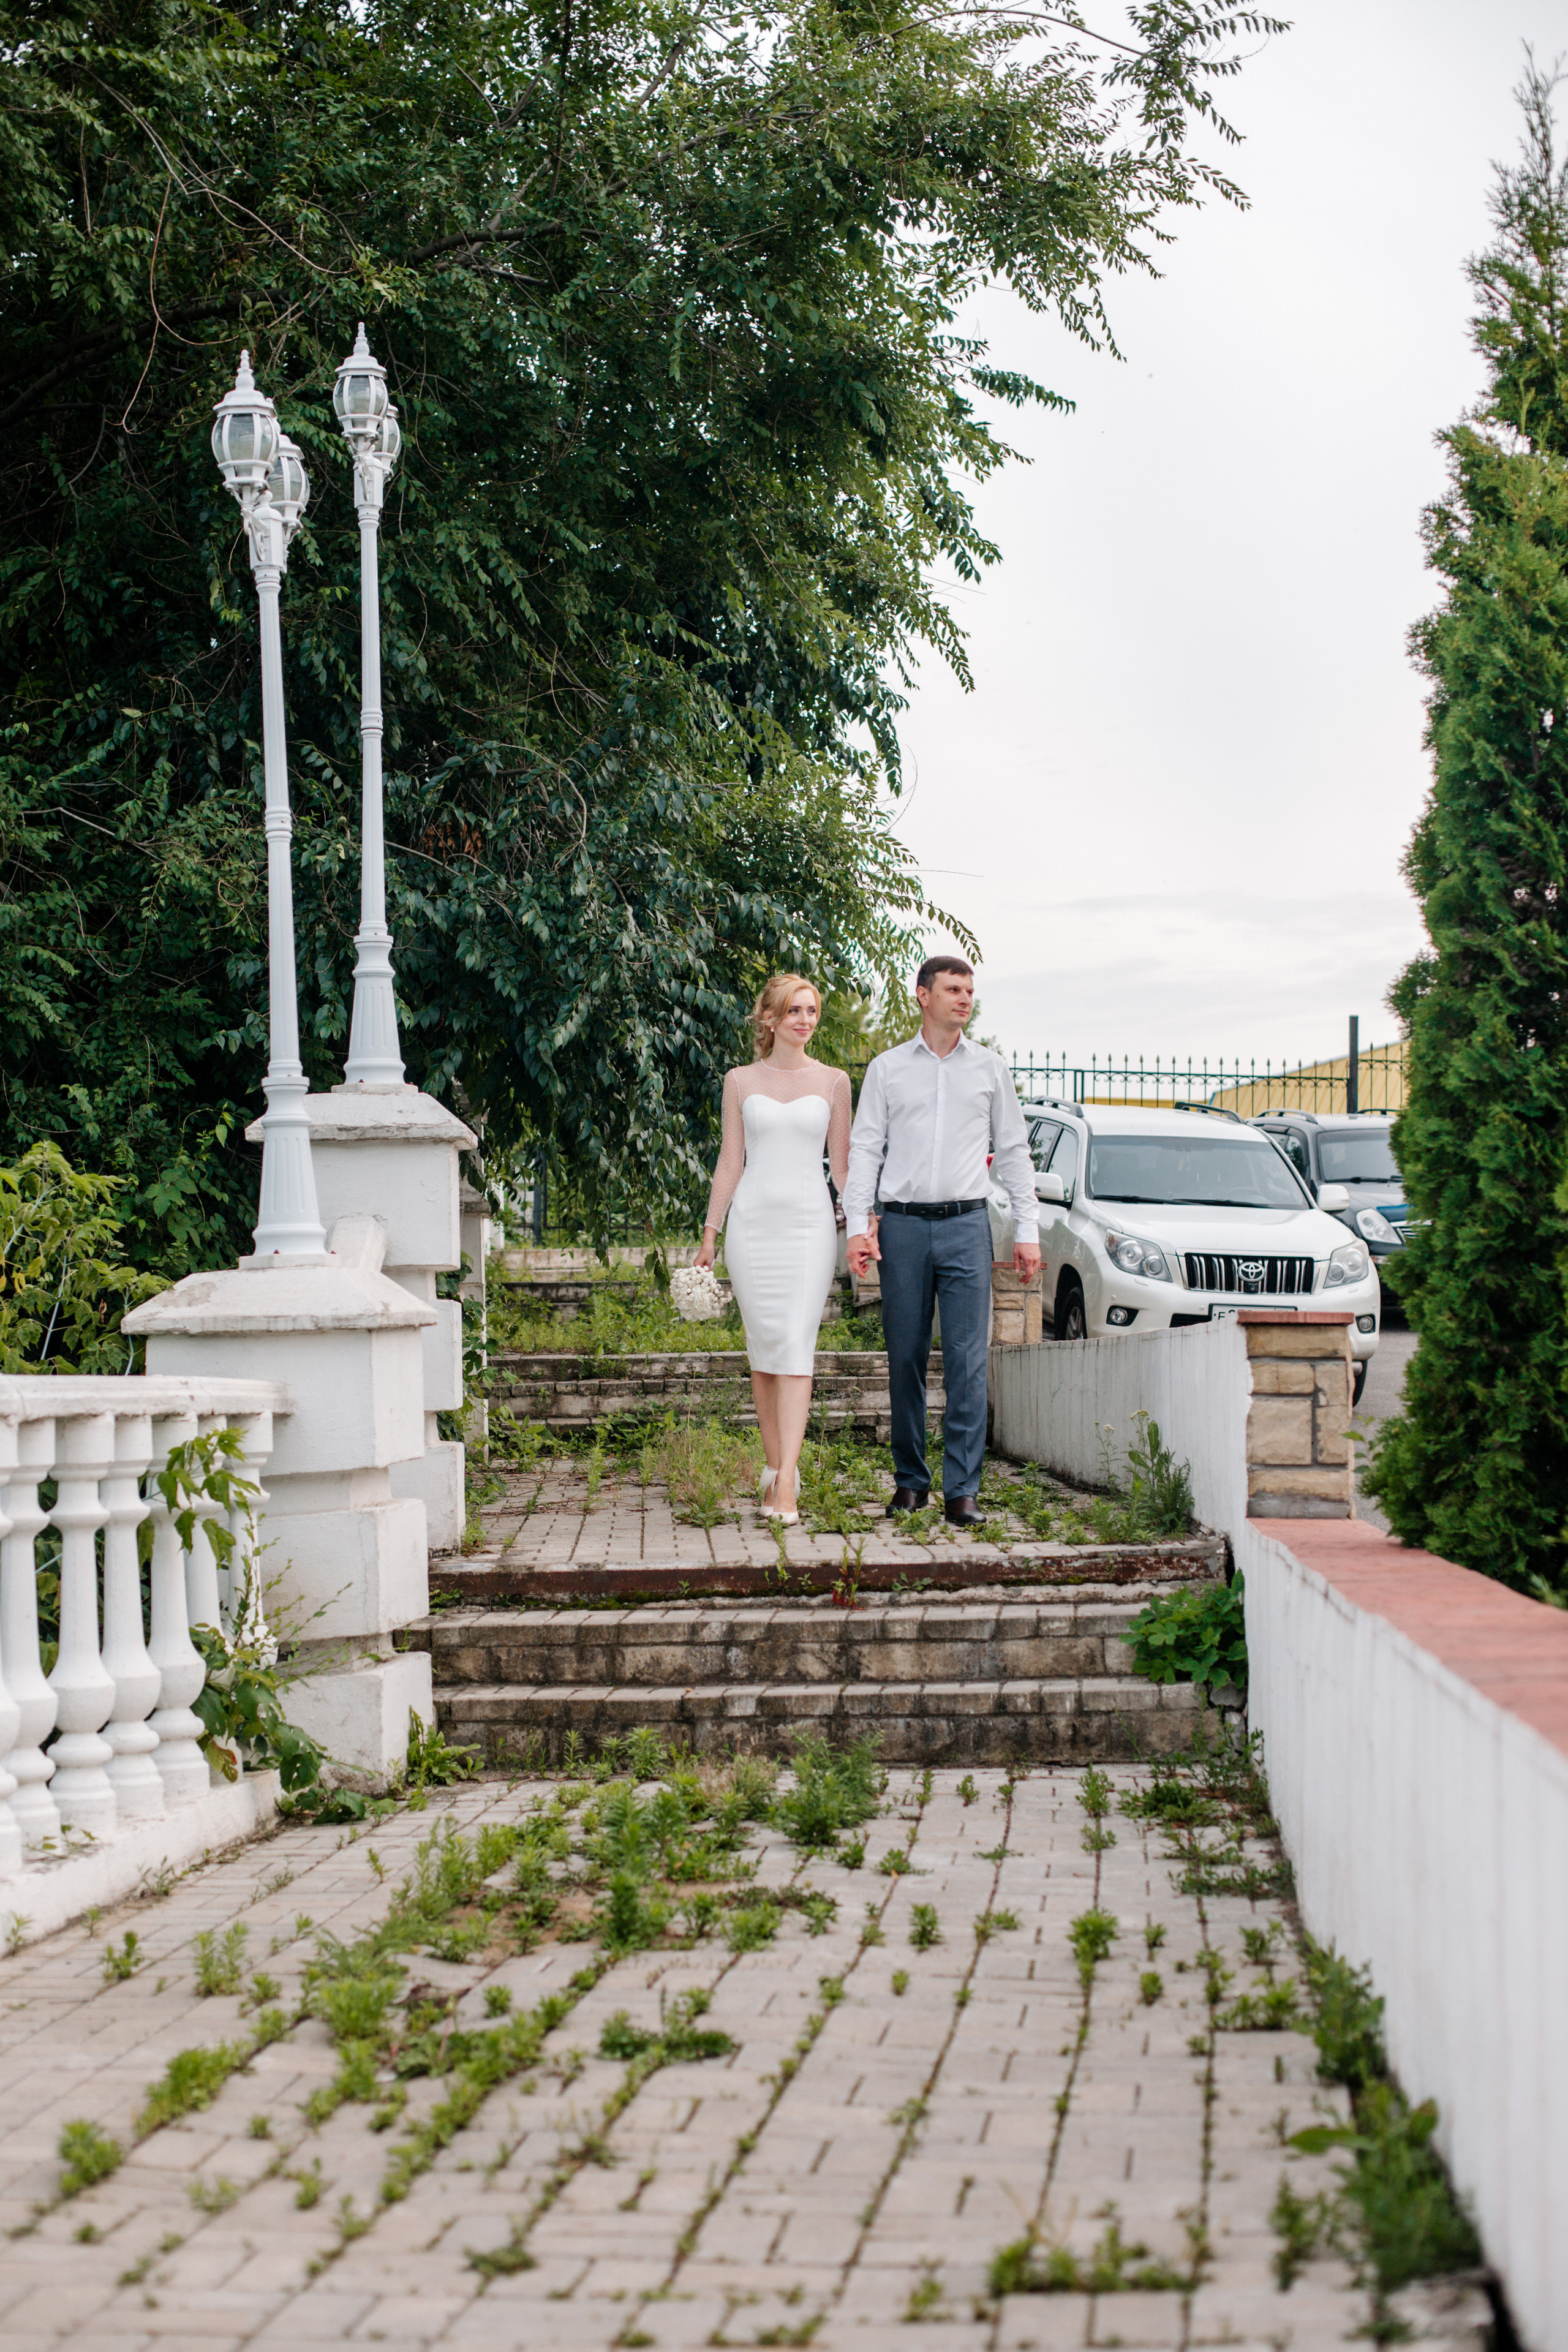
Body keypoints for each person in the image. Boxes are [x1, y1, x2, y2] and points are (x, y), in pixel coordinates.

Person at [843, 957, 1041, 1526]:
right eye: (953, 989)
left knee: (967, 1361)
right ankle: (910, 1483)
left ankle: (963, 1492)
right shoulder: (886, 1069)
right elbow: (866, 1150)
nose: (965, 999)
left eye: (970, 990)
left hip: (966, 1226)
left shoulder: (990, 1069)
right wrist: (858, 1226)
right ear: (923, 995)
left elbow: (1013, 1151)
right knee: (904, 1356)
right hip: (902, 1228)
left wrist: (1027, 1229)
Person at [695, 976, 851, 1525]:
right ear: (770, 1018)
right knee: (764, 1352)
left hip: (809, 1228)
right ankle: (773, 1468)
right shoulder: (739, 1081)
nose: (805, 1020)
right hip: (752, 1228)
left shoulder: (835, 1082)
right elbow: (730, 1162)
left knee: (795, 1345)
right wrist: (711, 1233)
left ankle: (787, 1482)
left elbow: (843, 1168)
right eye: (794, 1011)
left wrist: (862, 1227)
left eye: (811, 1010)